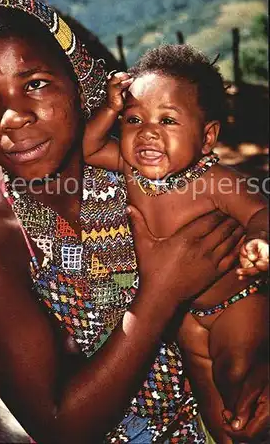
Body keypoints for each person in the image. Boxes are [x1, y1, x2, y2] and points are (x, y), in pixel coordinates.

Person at [0, 0, 268, 444]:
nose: (13, 117)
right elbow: (60, 428)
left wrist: (257, 368)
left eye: (36, 84)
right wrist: (160, 294)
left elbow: (248, 267)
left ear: (78, 82)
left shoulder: (149, 168)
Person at [83, 44, 269, 441]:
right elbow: (90, 148)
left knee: (236, 372)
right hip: (186, 316)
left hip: (237, 305)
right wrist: (108, 109)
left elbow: (260, 211)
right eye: (134, 119)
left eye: (167, 120)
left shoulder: (216, 180)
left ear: (207, 137)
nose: (147, 131)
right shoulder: (131, 168)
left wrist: (258, 239)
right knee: (210, 398)